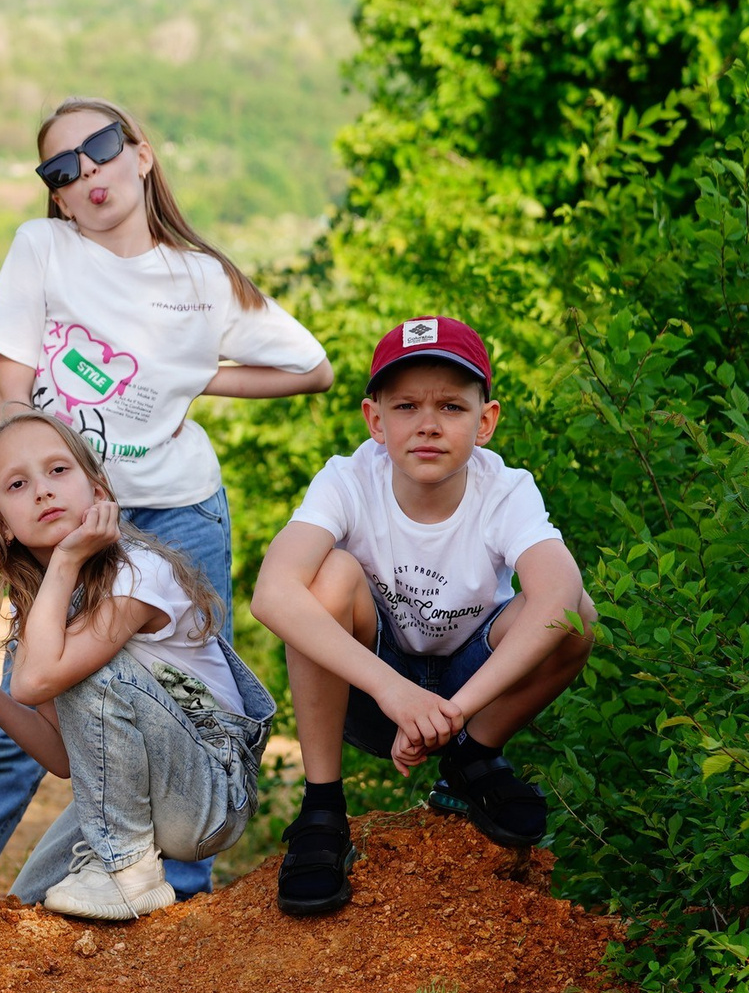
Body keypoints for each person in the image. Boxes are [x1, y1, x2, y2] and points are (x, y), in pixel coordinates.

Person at [0, 96, 332, 907]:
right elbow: (11, 394)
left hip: (176, 511)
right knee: (37, 697)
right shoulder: (43, 249)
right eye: (62, 169)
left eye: (101, 149)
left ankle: (183, 899)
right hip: (62, 518)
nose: (87, 172)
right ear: (56, 194)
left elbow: (311, 368)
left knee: (188, 700)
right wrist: (26, 507)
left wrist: (195, 375)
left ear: (142, 154)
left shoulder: (201, 279)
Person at [251, 317, 595, 917]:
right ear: (375, 420)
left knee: (577, 615)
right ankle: (323, 808)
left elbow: (559, 592)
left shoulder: (505, 490)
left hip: (470, 692)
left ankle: (472, 760)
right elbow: (272, 593)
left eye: (452, 407)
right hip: (371, 691)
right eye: (406, 405)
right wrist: (396, 693)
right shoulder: (349, 479)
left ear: (485, 421)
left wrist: (453, 715)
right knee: (326, 578)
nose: (429, 424)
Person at [0, 413, 275, 919]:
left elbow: (35, 679)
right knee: (34, 904)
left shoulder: (139, 571)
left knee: (87, 668)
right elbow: (63, 757)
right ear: (3, 525)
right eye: (18, 484)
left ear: (98, 492)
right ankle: (121, 870)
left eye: (57, 471)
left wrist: (68, 558)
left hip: (208, 791)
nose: (43, 492)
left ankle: (128, 869)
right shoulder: (46, 609)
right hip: (144, 794)